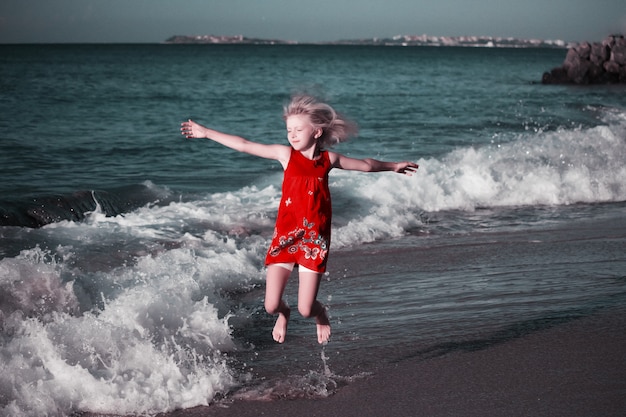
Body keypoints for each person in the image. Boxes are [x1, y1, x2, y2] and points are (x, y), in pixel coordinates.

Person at [181, 94, 418, 345]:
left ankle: (321, 314)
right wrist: (206, 133)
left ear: (316, 132)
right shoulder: (286, 156)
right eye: (288, 130)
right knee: (271, 305)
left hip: (314, 240)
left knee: (307, 308)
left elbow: (366, 165)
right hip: (286, 237)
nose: (292, 135)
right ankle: (284, 314)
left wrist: (393, 166)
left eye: (298, 129)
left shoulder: (329, 160)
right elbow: (244, 144)